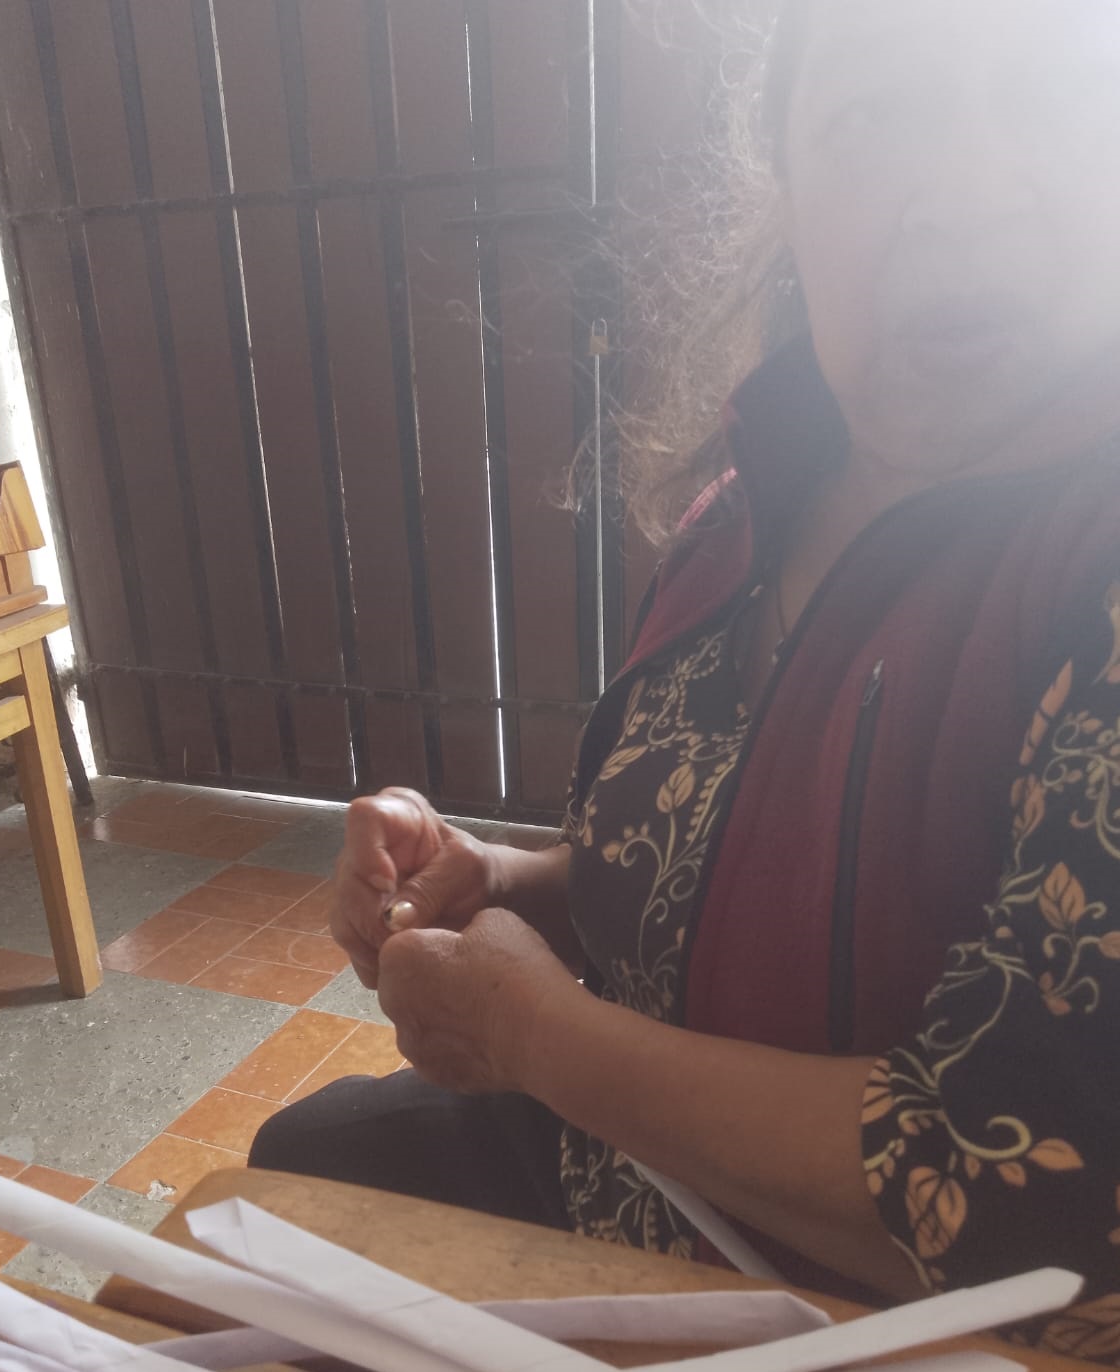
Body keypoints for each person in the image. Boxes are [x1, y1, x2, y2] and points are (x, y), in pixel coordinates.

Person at [251, 0, 1120, 1355]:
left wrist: (532, 1037)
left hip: (863, 1325)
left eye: (1054, 94)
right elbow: (693, 865)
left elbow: (1018, 1194)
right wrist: (500, 879)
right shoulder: (749, 501)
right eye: (875, 114)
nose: (964, 196)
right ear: (789, 189)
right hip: (634, 1185)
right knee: (301, 1162)